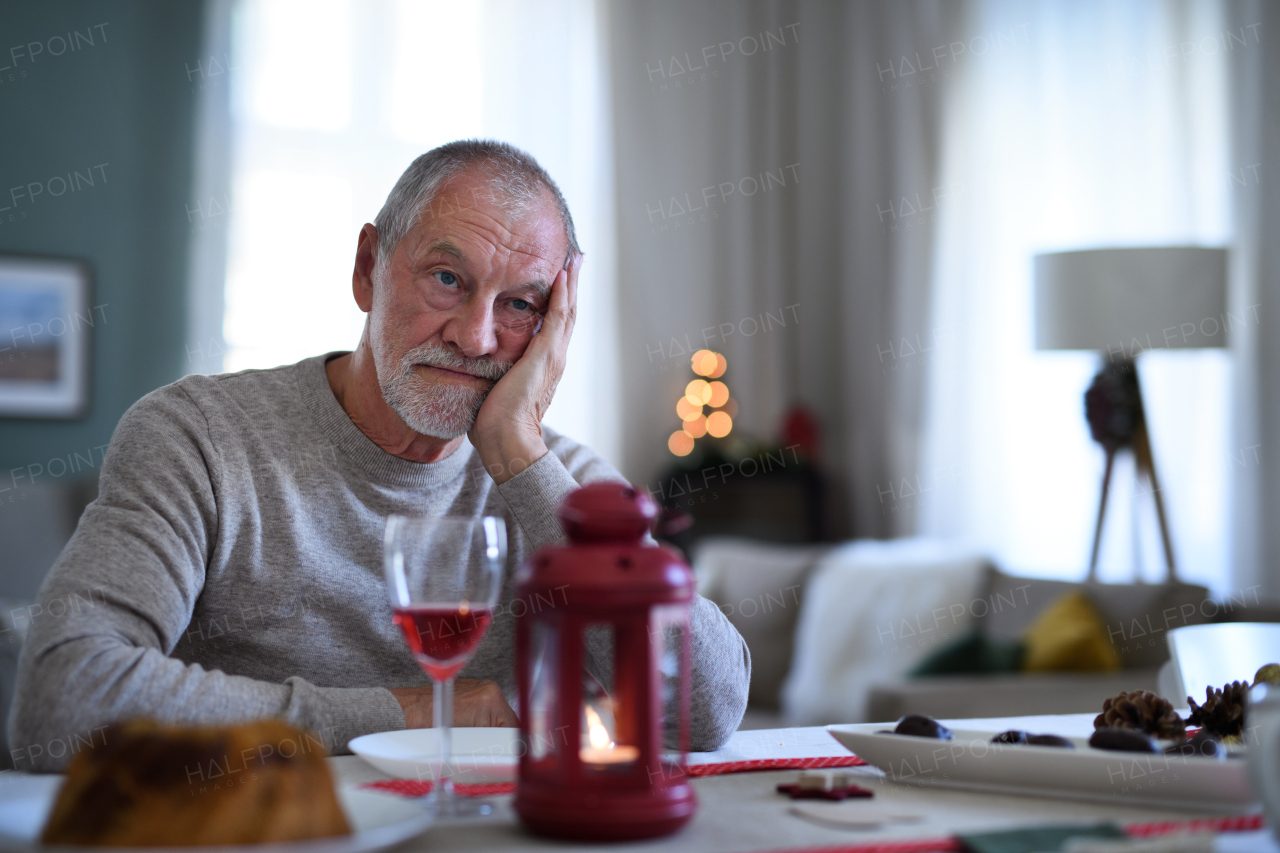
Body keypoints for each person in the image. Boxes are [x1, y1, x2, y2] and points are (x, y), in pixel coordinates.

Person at [8, 140, 750, 771]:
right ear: (369, 268)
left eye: (521, 304)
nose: (476, 336)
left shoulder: (557, 480)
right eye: (448, 278)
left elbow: (705, 712)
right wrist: (410, 712)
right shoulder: (198, 435)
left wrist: (520, 457)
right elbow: (63, 700)